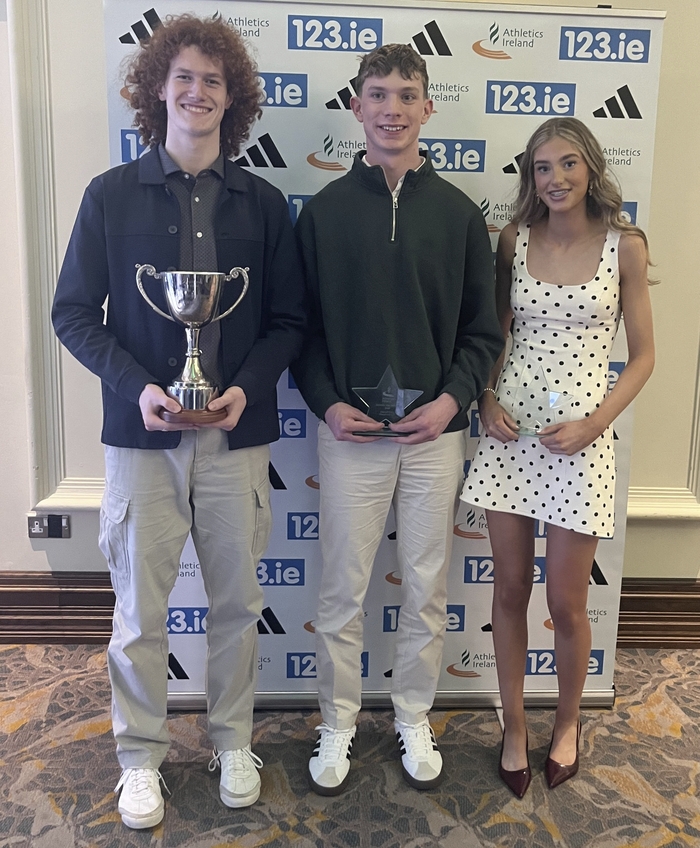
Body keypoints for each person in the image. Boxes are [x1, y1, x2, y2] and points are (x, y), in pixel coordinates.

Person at [52, 15, 305, 828]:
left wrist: (243, 388)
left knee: (236, 603)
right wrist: (136, 388)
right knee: (139, 613)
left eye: (215, 82)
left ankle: (234, 740)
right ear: (157, 88)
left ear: (234, 102)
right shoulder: (108, 196)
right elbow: (72, 314)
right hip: (140, 442)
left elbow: (289, 321)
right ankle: (140, 758)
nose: (198, 93)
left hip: (236, 438)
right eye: (184, 78)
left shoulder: (264, 205)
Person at [292, 43, 502, 795]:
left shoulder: (458, 215)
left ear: (426, 106)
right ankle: (338, 724)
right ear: (356, 107)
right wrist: (327, 403)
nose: (391, 108)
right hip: (349, 437)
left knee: (426, 586)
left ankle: (414, 712)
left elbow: (484, 330)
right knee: (341, 594)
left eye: (405, 94)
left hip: (434, 436)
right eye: (376, 94)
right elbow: (300, 328)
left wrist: (451, 402)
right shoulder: (322, 214)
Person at [461, 117, 655, 797]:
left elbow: (645, 356)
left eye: (569, 164)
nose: (557, 179)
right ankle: (514, 726)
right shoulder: (513, 239)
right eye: (542, 168)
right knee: (509, 591)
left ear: (592, 168)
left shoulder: (625, 246)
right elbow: (494, 334)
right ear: (530, 178)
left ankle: (566, 723)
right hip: (510, 436)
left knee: (566, 603)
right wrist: (485, 395)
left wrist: (596, 423)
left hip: (581, 443)